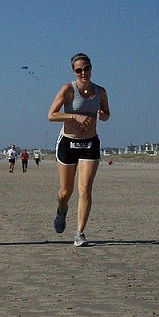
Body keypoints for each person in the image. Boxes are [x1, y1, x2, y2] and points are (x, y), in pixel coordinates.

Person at [47, 53, 110, 247]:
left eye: (87, 68)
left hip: (90, 144)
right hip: (68, 143)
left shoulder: (100, 92)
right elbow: (51, 115)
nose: (84, 73)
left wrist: (102, 114)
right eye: (79, 70)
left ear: (91, 68)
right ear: (74, 72)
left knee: (85, 188)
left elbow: (107, 115)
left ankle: (80, 232)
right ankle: (61, 209)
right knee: (66, 191)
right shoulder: (68, 89)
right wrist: (74, 117)